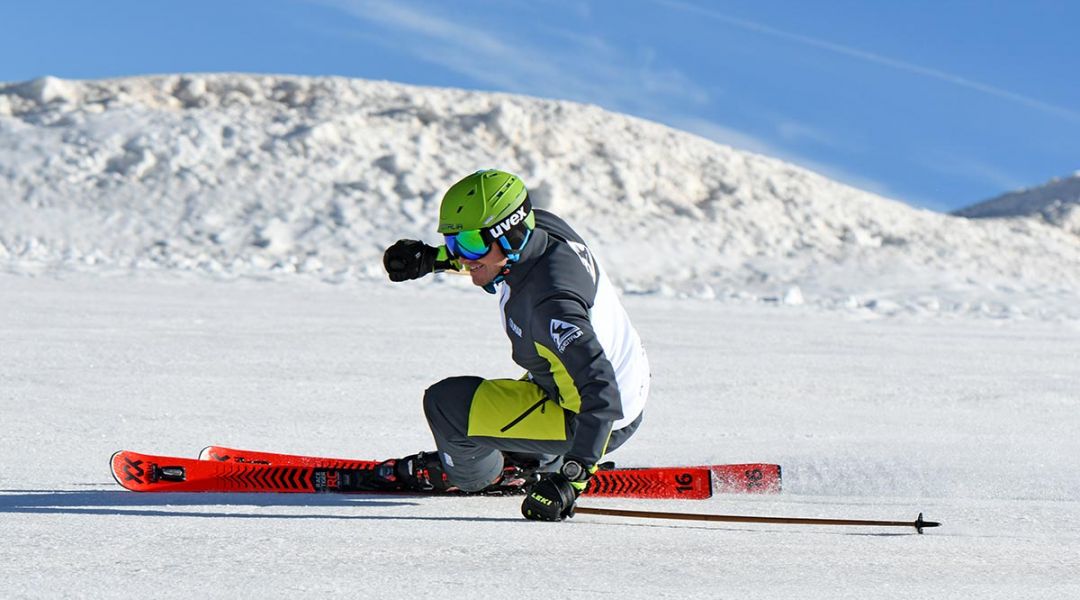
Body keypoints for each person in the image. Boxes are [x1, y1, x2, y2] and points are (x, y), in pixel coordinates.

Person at [380, 169, 650, 521]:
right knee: (539, 370)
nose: (461, 255)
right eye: (453, 242)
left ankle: (477, 476)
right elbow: (491, 255)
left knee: (446, 406)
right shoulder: (542, 232)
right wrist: (433, 259)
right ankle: (532, 456)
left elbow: (601, 389)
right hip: (610, 387)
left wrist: (573, 479)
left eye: (470, 243)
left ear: (510, 235)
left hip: (594, 417)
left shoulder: (552, 305)